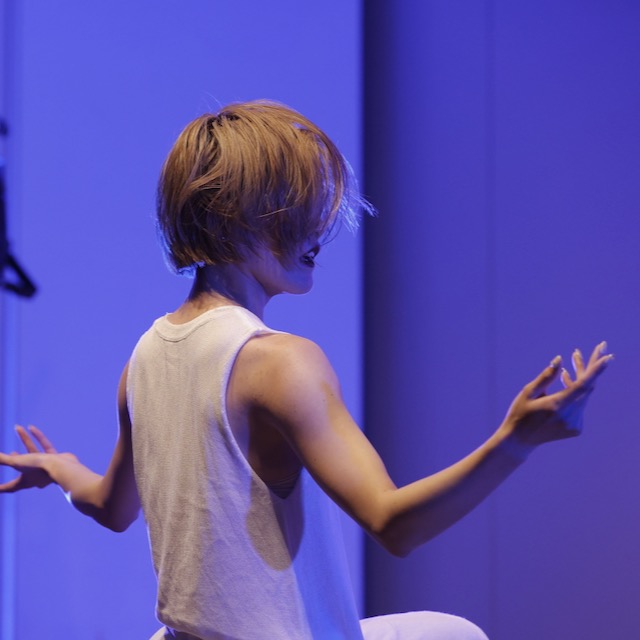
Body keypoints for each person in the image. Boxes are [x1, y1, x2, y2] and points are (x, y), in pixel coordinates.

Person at [0, 100, 612, 640]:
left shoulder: (143, 359)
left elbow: (111, 508)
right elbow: (392, 523)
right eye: (292, 211)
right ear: (229, 217)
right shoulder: (278, 361)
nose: (318, 231)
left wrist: (58, 468)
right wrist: (515, 442)